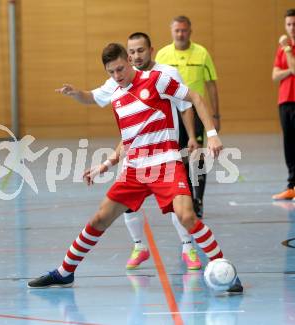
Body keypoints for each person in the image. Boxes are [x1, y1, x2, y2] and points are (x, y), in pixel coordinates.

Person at [27, 43, 243, 294]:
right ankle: (65, 272)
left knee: (187, 216)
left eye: (120, 69)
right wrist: (106, 164)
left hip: (166, 163)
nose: (117, 76)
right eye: (111, 72)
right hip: (135, 168)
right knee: (99, 218)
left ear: (129, 60)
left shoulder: (156, 80)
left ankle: (225, 271)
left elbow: (195, 97)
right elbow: (129, 140)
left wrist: (212, 134)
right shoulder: (116, 97)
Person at [59, 32, 203, 271]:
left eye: (140, 51)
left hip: (164, 149)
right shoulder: (117, 82)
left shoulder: (164, 75)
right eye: (133, 51)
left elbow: (186, 105)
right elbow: (94, 100)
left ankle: (188, 247)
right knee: (124, 205)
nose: (137, 55)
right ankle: (139, 246)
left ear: (151, 50)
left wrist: (192, 138)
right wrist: (76, 94)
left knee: (176, 206)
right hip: (136, 156)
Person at [155, 15, 220, 219]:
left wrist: (216, 114)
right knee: (180, 156)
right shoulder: (162, 55)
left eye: (184, 30)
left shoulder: (202, 54)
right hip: (174, 113)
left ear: (190, 31)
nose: (180, 34)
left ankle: (199, 199)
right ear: (171, 31)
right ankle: (187, 197)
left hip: (197, 112)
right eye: (177, 30)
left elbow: (211, 85)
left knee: (198, 155)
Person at [272, 9, 295, 200]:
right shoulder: (281, 48)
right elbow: (275, 75)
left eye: (294, 24)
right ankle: (292, 186)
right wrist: (288, 70)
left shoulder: (285, 48)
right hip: (285, 101)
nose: (292, 28)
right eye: (289, 24)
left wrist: (288, 50)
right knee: (289, 143)